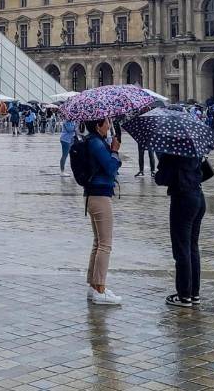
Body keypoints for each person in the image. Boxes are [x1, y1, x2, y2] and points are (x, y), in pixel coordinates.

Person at [154, 152, 207, 307]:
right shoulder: (193, 149)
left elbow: (162, 178)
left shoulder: (172, 152)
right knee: (192, 247)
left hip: (183, 199)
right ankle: (194, 293)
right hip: (198, 197)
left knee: (182, 249)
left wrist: (161, 161)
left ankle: (184, 295)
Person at [80, 118, 122, 305]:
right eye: (107, 122)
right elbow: (111, 168)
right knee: (105, 244)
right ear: (98, 126)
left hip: (93, 195)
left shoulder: (94, 141)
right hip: (99, 196)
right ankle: (100, 289)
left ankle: (94, 286)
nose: (110, 125)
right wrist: (114, 150)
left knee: (98, 243)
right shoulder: (97, 143)